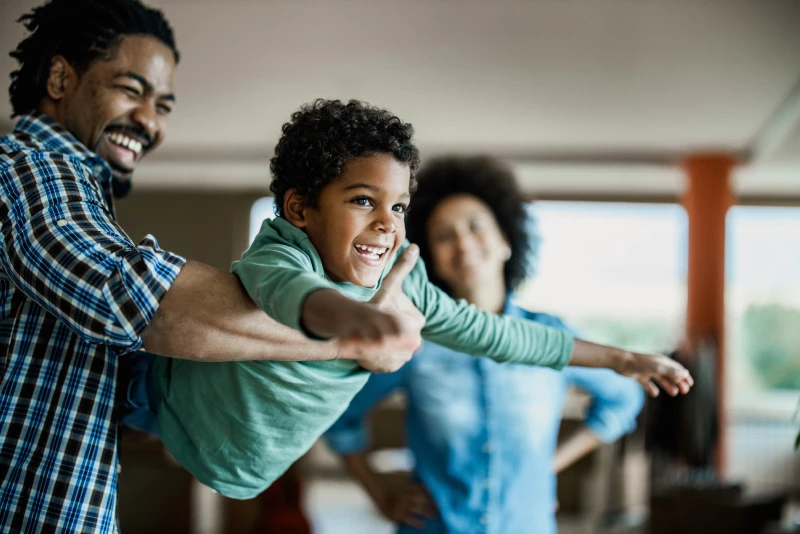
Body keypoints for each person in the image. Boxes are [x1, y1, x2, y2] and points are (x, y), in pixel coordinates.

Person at [0, 2, 422, 532]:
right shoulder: (31, 169)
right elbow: (133, 300)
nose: (150, 121)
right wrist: (355, 336)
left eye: (163, 105)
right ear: (61, 78)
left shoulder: (77, 193)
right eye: (131, 91)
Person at [139, 99, 692, 502]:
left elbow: (503, 336)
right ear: (301, 209)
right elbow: (293, 297)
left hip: (242, 466)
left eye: (400, 207)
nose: (386, 222)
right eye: (363, 200)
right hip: (165, 403)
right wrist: (356, 322)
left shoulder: (409, 286)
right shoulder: (283, 253)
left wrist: (620, 359)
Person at [324, 156, 648, 534]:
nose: (462, 243)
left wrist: (545, 467)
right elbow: (340, 415)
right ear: (431, 258)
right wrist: (382, 497)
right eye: (444, 235)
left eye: (476, 227)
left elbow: (624, 398)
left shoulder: (551, 336)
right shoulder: (413, 339)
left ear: (506, 240)